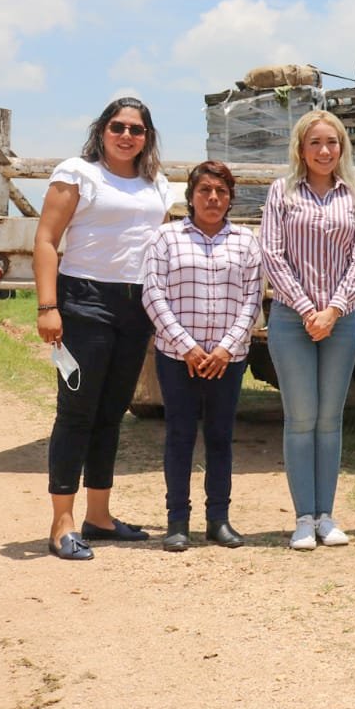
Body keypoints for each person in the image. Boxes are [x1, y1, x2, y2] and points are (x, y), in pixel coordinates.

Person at [33, 97, 172, 560]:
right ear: (101, 130)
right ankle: (62, 524)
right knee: (77, 413)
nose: (126, 135)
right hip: (84, 301)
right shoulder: (78, 173)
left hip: (136, 305)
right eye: (118, 126)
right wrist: (48, 306)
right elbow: (46, 240)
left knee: (112, 414)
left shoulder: (157, 184)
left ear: (147, 137)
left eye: (136, 129)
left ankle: (99, 516)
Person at [260, 110, 355, 552]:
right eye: (315, 143)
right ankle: (303, 517)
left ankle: (327, 515)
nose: (325, 151)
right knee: (301, 417)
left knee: (329, 420)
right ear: (301, 149)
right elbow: (272, 254)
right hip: (293, 318)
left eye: (332, 142)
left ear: (342, 148)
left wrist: (334, 310)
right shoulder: (282, 192)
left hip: (342, 320)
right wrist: (309, 310)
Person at [141, 160, 263, 552]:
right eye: (204, 191)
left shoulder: (245, 242)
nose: (213, 198)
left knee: (220, 437)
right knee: (179, 435)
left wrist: (226, 348)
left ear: (231, 198)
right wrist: (187, 347)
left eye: (221, 192)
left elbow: (252, 300)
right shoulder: (166, 238)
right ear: (191, 196)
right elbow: (153, 294)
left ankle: (218, 520)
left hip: (228, 359)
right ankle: (177, 522)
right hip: (178, 358)